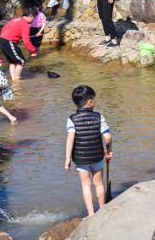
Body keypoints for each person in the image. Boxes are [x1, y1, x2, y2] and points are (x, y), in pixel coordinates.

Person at [64, 85, 113, 218]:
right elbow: (108, 137)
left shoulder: (72, 119)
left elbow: (70, 139)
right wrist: (109, 150)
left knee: (86, 185)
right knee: (99, 184)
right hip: (97, 157)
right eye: (94, 99)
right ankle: (102, 211)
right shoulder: (99, 117)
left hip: (81, 159)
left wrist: (67, 158)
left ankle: (91, 214)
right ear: (90, 101)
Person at [0, 7, 38, 81]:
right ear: (30, 16)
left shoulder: (15, 19)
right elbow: (26, 40)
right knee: (21, 61)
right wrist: (33, 51)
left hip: (2, 40)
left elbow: (4, 28)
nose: (34, 20)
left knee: (12, 61)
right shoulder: (25, 24)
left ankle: (14, 80)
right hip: (9, 42)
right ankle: (17, 81)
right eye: (34, 18)